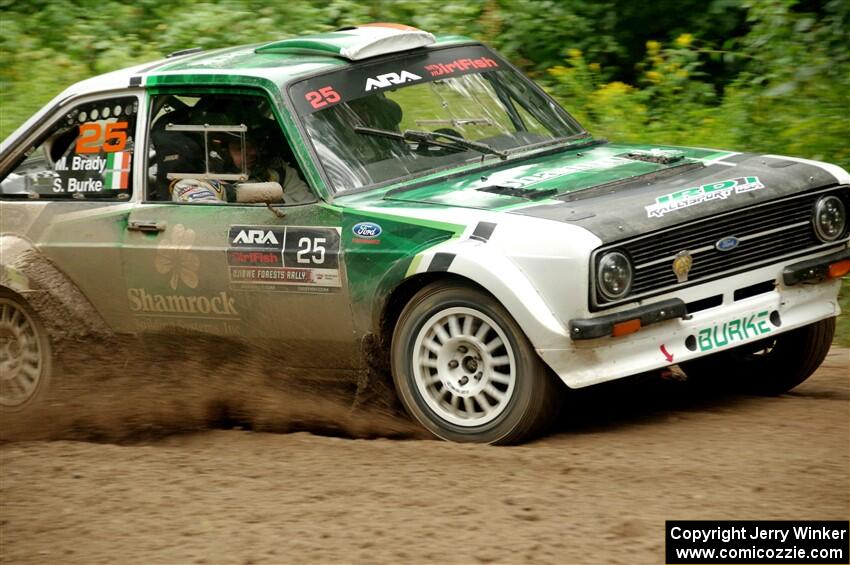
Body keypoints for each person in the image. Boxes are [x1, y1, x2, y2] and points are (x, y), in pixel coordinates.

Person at [170, 120, 312, 204]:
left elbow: (309, 208)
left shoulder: (276, 170)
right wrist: (233, 193)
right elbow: (211, 220)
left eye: (254, 145)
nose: (253, 153)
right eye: (241, 148)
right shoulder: (193, 183)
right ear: (220, 151)